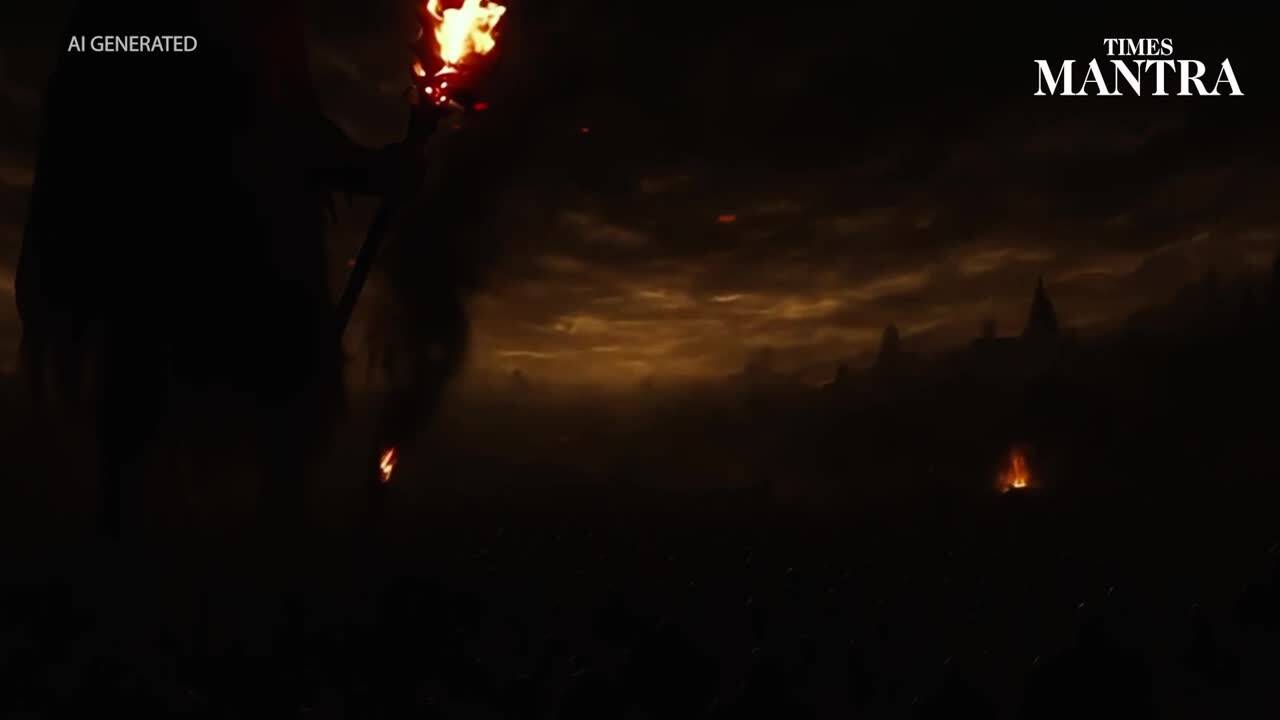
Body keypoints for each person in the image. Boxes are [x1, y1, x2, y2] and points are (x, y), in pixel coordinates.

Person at [16, 0, 422, 538]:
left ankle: (258, 556)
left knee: (283, 419)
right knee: (144, 424)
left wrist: (371, 167)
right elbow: (113, 91)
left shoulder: (261, 23)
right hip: (163, 258)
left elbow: (288, 122)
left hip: (254, 262)